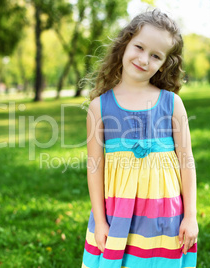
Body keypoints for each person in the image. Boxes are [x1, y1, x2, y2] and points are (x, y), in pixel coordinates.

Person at [82, 9, 198, 268]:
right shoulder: (99, 107)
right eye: (139, 47)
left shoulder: (172, 104)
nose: (144, 59)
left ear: (164, 63)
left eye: (156, 55)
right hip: (116, 216)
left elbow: (186, 161)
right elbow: (94, 168)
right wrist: (100, 222)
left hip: (164, 216)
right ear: (125, 44)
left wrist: (190, 216)